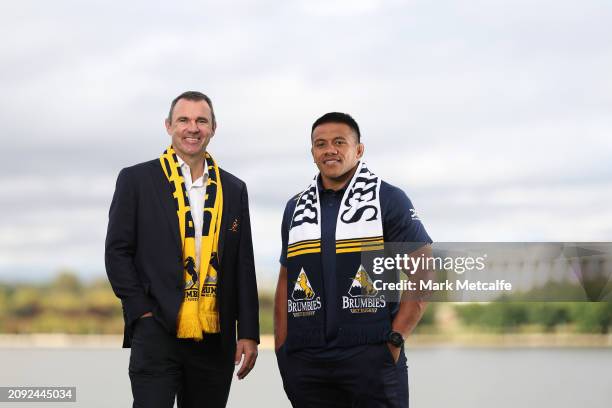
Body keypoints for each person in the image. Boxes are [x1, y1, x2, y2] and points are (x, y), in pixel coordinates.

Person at [105, 91, 259, 408]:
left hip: (215, 334)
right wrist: (141, 313)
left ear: (213, 128)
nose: (193, 128)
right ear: (168, 126)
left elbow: (243, 264)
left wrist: (249, 332)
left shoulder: (234, 189)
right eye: (184, 120)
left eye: (201, 120)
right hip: (157, 328)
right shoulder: (136, 179)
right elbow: (117, 252)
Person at [274, 112, 432, 408]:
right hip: (307, 362)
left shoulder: (388, 198)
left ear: (358, 150)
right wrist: (283, 349)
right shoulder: (295, 207)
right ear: (313, 153)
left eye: (339, 142)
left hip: (372, 355)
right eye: (320, 144)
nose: (329, 149)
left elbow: (423, 273)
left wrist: (394, 341)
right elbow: (286, 281)